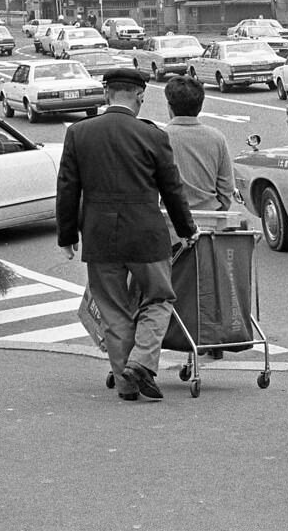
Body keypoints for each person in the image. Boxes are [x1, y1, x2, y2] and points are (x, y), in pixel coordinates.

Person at [57, 68, 198, 402]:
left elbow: (66, 188)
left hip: (99, 235)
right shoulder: (152, 135)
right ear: (139, 96)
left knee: (113, 309)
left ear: (107, 94)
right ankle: (141, 362)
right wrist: (186, 229)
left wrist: (67, 235)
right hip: (146, 235)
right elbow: (172, 189)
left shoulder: (79, 133)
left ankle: (126, 384)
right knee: (159, 298)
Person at [164, 76, 235, 212]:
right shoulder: (216, 137)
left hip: (171, 218)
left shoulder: (159, 137)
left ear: (169, 106)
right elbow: (226, 187)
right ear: (200, 107)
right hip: (210, 217)